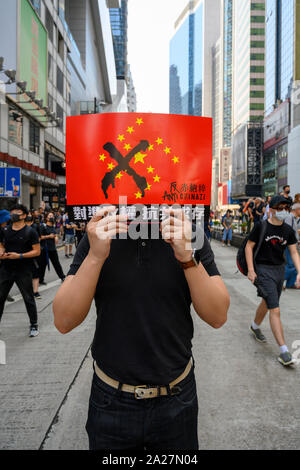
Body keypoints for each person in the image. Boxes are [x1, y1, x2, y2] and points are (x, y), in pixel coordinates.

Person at [53, 206, 229, 450]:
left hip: (177, 396)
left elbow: (217, 315)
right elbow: (63, 320)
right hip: (110, 398)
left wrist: (188, 258)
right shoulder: (102, 232)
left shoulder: (188, 231)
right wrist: (95, 257)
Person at [245, 195, 300, 366]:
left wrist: (299, 272)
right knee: (275, 309)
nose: (283, 211)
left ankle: (254, 326)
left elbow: (293, 252)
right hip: (262, 270)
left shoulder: (288, 231)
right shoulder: (261, 227)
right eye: (280, 207)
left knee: (267, 302)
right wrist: (251, 270)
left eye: (286, 208)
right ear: (272, 208)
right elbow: (248, 246)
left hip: (279, 271)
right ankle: (284, 351)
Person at [0, 204, 40, 337]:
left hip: (23, 270)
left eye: (16, 212)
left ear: (24, 215)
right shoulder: (5, 230)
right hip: (6, 270)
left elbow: (37, 251)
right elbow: (1, 245)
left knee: (28, 298)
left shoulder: (30, 232)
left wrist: (20, 256)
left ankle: (34, 324)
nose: (13, 214)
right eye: (11, 212)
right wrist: (1, 252)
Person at [39, 212, 65, 285]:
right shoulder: (43, 226)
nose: (51, 217)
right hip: (44, 249)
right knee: (43, 265)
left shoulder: (53, 226)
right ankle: (40, 279)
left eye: (52, 216)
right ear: (46, 218)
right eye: (49, 216)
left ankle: (62, 276)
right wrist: (48, 236)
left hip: (52, 248)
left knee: (56, 263)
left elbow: (55, 234)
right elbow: (40, 237)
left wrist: (56, 237)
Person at [283, 203, 300, 290]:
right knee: (291, 264)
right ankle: (282, 281)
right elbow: (288, 231)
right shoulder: (290, 217)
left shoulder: (293, 218)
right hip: (290, 244)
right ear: (297, 210)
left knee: (292, 264)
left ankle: (290, 283)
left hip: (292, 243)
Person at [25, 214, 42, 299]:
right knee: (25, 273)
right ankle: (27, 290)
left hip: (34, 254)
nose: (27, 224)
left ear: (31, 222)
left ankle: (35, 291)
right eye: (26, 222)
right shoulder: (21, 229)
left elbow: (39, 238)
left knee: (35, 273)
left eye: (29, 222)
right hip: (24, 255)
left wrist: (34, 245)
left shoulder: (34, 228)